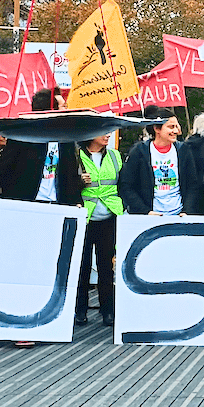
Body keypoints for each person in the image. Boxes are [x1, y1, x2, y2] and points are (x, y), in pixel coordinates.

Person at [0, 88, 81, 206]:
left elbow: (71, 175)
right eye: (63, 107)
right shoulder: (22, 137)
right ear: (50, 110)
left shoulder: (66, 139)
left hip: (57, 206)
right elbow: (1, 170)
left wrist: (76, 201)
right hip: (25, 205)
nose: (67, 110)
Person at [74, 134, 123, 327]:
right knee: (82, 266)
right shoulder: (76, 156)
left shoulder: (114, 156)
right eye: (103, 132)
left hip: (109, 217)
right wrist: (79, 182)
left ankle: (107, 311)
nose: (108, 135)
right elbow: (67, 184)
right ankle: (80, 310)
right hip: (85, 217)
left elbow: (122, 183)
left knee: (106, 267)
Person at [119, 108, 202, 216]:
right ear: (157, 128)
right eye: (171, 127)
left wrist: (187, 211)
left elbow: (192, 184)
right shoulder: (139, 151)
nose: (176, 131)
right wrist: (145, 212)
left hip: (178, 214)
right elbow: (126, 186)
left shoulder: (183, 150)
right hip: (150, 216)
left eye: (176, 126)